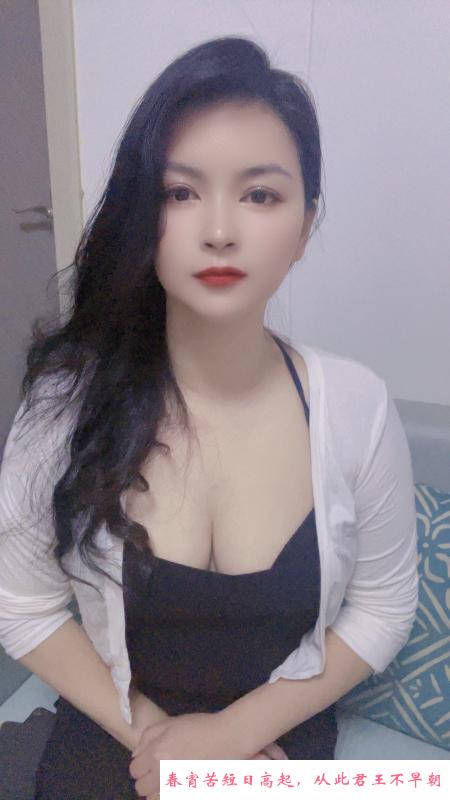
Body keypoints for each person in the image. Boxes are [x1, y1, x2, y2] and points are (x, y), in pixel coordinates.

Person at [0, 35, 418, 800]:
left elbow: (384, 606)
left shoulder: (357, 407)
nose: (219, 229)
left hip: (276, 738)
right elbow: (22, 606)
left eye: (260, 195)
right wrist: (162, 743)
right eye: (180, 192)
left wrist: (229, 741)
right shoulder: (65, 404)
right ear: (140, 214)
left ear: (305, 224)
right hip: (118, 725)